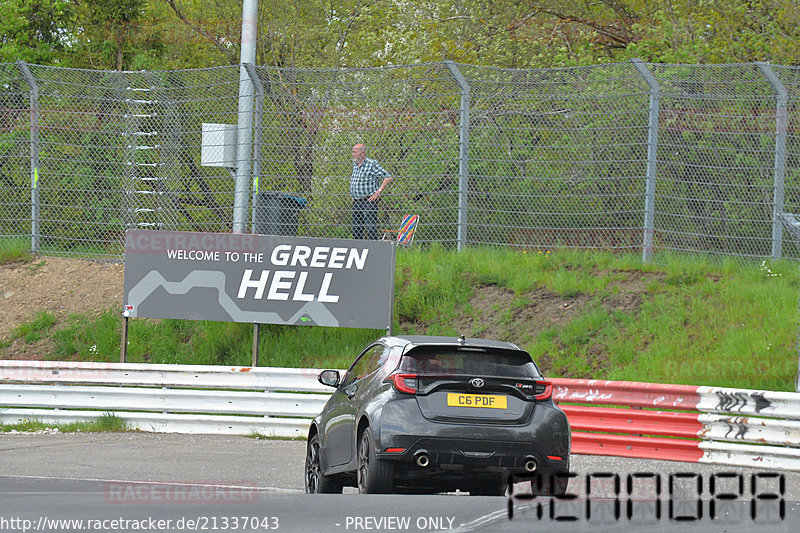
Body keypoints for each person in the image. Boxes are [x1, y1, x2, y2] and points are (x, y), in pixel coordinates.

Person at [349, 143, 392, 240]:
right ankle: (358, 248)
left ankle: (373, 247)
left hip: (369, 200)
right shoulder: (355, 164)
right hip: (356, 201)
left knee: (370, 227)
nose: (353, 154)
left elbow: (388, 176)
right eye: (353, 152)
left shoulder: (372, 164)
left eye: (355, 152)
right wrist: (353, 194)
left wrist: (378, 192)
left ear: (362, 153)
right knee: (356, 228)